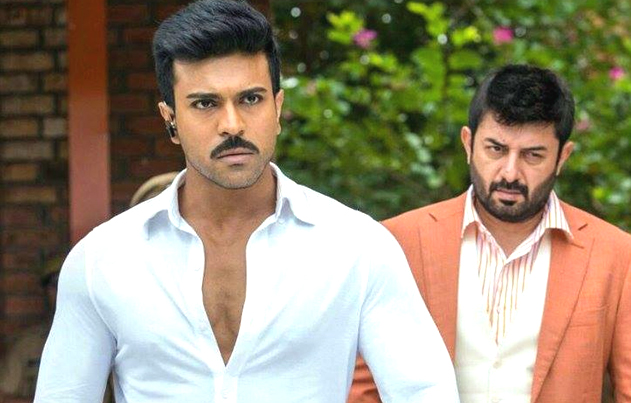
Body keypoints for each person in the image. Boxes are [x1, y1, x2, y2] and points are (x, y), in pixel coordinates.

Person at [34, 1, 457, 402]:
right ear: (171, 120)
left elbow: (424, 392)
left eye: (250, 99)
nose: (232, 124)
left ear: (277, 108)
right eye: (205, 104)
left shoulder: (357, 246)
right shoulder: (102, 259)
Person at [350, 64, 631, 403]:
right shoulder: (397, 241)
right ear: (468, 143)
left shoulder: (617, 255)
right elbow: (362, 390)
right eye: (495, 149)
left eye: (533, 155)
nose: (510, 173)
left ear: (562, 157)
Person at [0, 257, 61, 403]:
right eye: (54, 284)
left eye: (66, 283)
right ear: (45, 292)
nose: (60, 291)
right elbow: (3, 396)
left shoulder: (101, 343)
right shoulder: (28, 345)